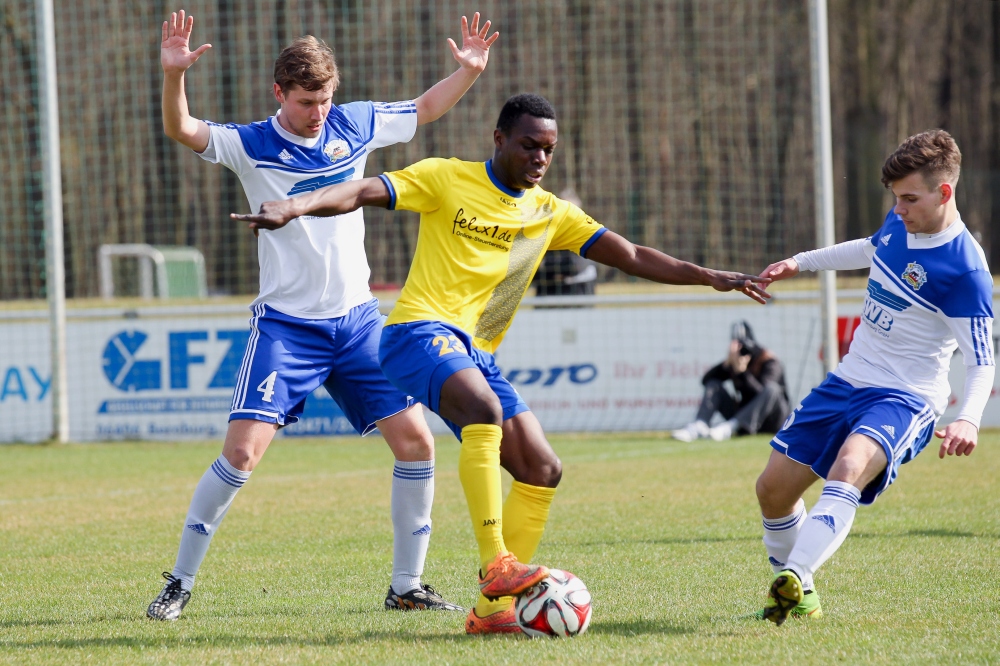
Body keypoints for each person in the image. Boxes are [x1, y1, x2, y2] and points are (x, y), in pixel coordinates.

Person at [233, 93, 772, 633]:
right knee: (483, 410)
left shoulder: (549, 213)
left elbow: (631, 255)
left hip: (475, 353)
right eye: (529, 145)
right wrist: (295, 205)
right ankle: (498, 566)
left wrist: (708, 275)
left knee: (542, 468)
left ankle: (491, 613)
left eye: (549, 150)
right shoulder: (447, 178)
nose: (539, 158)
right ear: (499, 139)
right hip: (414, 333)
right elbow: (360, 190)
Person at [147, 9, 499, 621]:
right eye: (307, 100)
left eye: (325, 98)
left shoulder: (354, 124)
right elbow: (182, 129)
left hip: (358, 322)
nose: (318, 111)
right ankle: (178, 583)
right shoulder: (250, 144)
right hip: (286, 328)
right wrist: (174, 74)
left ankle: (406, 586)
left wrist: (466, 71)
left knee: (417, 444)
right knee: (242, 455)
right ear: (279, 93)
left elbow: (423, 110)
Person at [752, 129, 993, 625]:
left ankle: (793, 579)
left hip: (906, 397)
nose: (899, 209)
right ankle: (803, 595)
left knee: (849, 463)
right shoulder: (900, 220)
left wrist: (968, 419)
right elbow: (870, 247)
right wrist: (801, 262)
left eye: (909, 199)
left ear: (943, 192)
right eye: (895, 199)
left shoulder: (966, 271)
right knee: (773, 490)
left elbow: (982, 358)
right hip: (849, 379)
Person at [671, 320, 790, 442]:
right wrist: (726, 364)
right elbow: (706, 380)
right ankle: (700, 425)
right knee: (714, 384)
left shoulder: (769, 361)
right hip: (744, 418)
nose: (743, 352)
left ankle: (730, 428)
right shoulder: (734, 361)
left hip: (772, 421)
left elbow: (763, 396)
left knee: (772, 388)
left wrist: (743, 373)